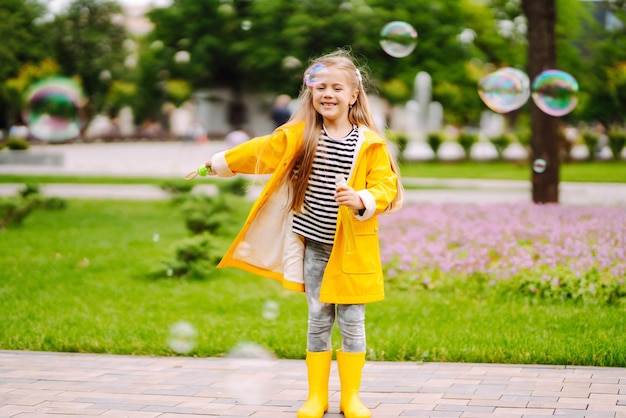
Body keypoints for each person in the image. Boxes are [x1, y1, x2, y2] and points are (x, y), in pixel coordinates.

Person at [203, 48, 403, 418]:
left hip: (353, 251)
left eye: (337, 87)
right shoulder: (301, 136)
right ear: (310, 93)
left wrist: (361, 198)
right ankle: (316, 397)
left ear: (354, 95)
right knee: (318, 320)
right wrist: (221, 162)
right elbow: (260, 150)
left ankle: (351, 398)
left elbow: (386, 186)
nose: (328, 93)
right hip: (315, 247)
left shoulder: (370, 143)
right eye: (320, 86)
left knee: (353, 322)